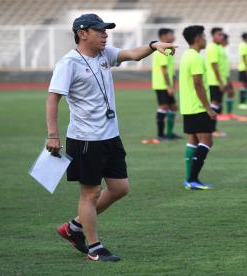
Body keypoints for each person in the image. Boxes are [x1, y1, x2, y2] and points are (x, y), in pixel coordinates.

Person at [46, 14, 177, 261]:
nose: (105, 35)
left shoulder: (105, 55)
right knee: (91, 193)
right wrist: (52, 135)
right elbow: (53, 98)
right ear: (82, 33)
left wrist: (153, 46)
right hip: (85, 139)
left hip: (110, 136)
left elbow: (132, 54)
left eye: (106, 30)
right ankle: (95, 248)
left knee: (119, 188)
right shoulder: (69, 63)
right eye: (100, 30)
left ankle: (74, 228)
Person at [179, 25, 216, 190]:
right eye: (204, 36)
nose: (206, 39)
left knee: (193, 141)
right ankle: (192, 179)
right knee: (207, 141)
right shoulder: (196, 58)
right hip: (198, 107)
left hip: (188, 106)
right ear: (197, 38)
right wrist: (208, 107)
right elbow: (198, 84)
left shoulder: (186, 55)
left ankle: (188, 179)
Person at [150, 28, 181, 142]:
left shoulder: (168, 50)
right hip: (162, 85)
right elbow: (164, 71)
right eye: (170, 34)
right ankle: (160, 134)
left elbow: (170, 70)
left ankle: (169, 133)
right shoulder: (161, 51)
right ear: (163, 36)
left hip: (167, 85)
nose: (173, 36)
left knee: (173, 107)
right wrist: (169, 86)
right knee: (163, 107)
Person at [217, 33, 247, 122]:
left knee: (231, 92)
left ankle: (229, 113)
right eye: (227, 40)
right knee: (218, 97)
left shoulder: (222, 50)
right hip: (218, 78)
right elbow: (214, 65)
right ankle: (219, 114)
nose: (228, 42)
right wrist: (219, 80)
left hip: (225, 76)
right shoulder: (217, 49)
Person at [206, 27, 227, 137]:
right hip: (214, 81)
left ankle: (213, 129)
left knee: (216, 105)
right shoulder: (213, 47)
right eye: (219, 34)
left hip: (219, 81)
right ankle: (211, 129)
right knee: (214, 105)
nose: (221, 36)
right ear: (213, 36)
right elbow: (214, 65)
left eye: (222, 35)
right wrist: (220, 82)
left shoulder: (219, 47)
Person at [237, 32, 247, 110]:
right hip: (244, 69)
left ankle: (244, 102)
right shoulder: (243, 45)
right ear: (246, 38)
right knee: (244, 85)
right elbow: (244, 57)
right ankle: (242, 103)